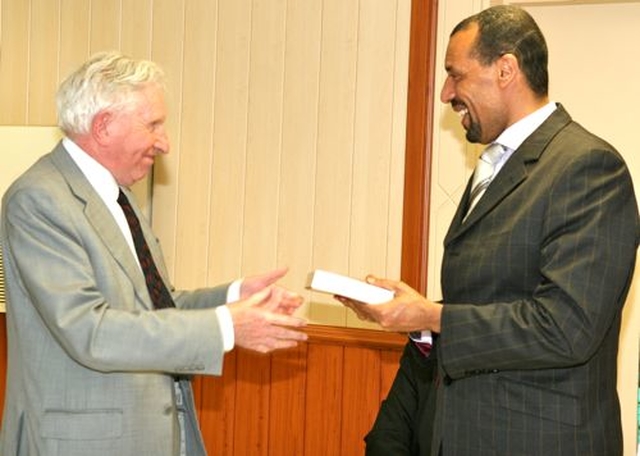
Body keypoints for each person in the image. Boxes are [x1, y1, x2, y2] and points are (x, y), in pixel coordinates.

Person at [337, 5, 639, 456]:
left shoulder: (587, 167)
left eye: (455, 75)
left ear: (506, 69)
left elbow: (566, 326)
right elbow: (492, 301)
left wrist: (431, 317)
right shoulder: (495, 166)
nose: (444, 94)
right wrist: (412, 317)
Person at [0, 51, 308, 456]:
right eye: (154, 125)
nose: (164, 143)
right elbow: (89, 330)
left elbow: (155, 305)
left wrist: (234, 297)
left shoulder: (118, 198)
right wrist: (226, 327)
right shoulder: (39, 199)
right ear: (104, 125)